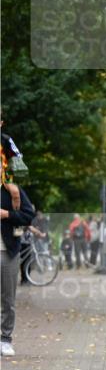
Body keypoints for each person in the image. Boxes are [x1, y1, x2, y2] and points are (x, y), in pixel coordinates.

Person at [1, 127, 35, 357]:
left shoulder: (12, 191)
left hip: (7, 250)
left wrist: (7, 215)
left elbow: (28, 215)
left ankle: (5, 338)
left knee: (8, 299)